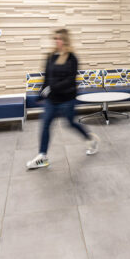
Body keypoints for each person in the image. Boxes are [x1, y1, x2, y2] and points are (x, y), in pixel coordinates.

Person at [27, 29, 99, 170]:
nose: (56, 41)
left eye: (59, 38)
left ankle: (90, 139)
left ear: (65, 40)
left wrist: (52, 87)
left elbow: (70, 80)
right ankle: (42, 156)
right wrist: (41, 92)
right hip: (51, 100)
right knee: (45, 124)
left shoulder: (72, 58)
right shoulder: (50, 56)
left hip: (67, 99)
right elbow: (46, 77)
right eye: (55, 38)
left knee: (70, 123)